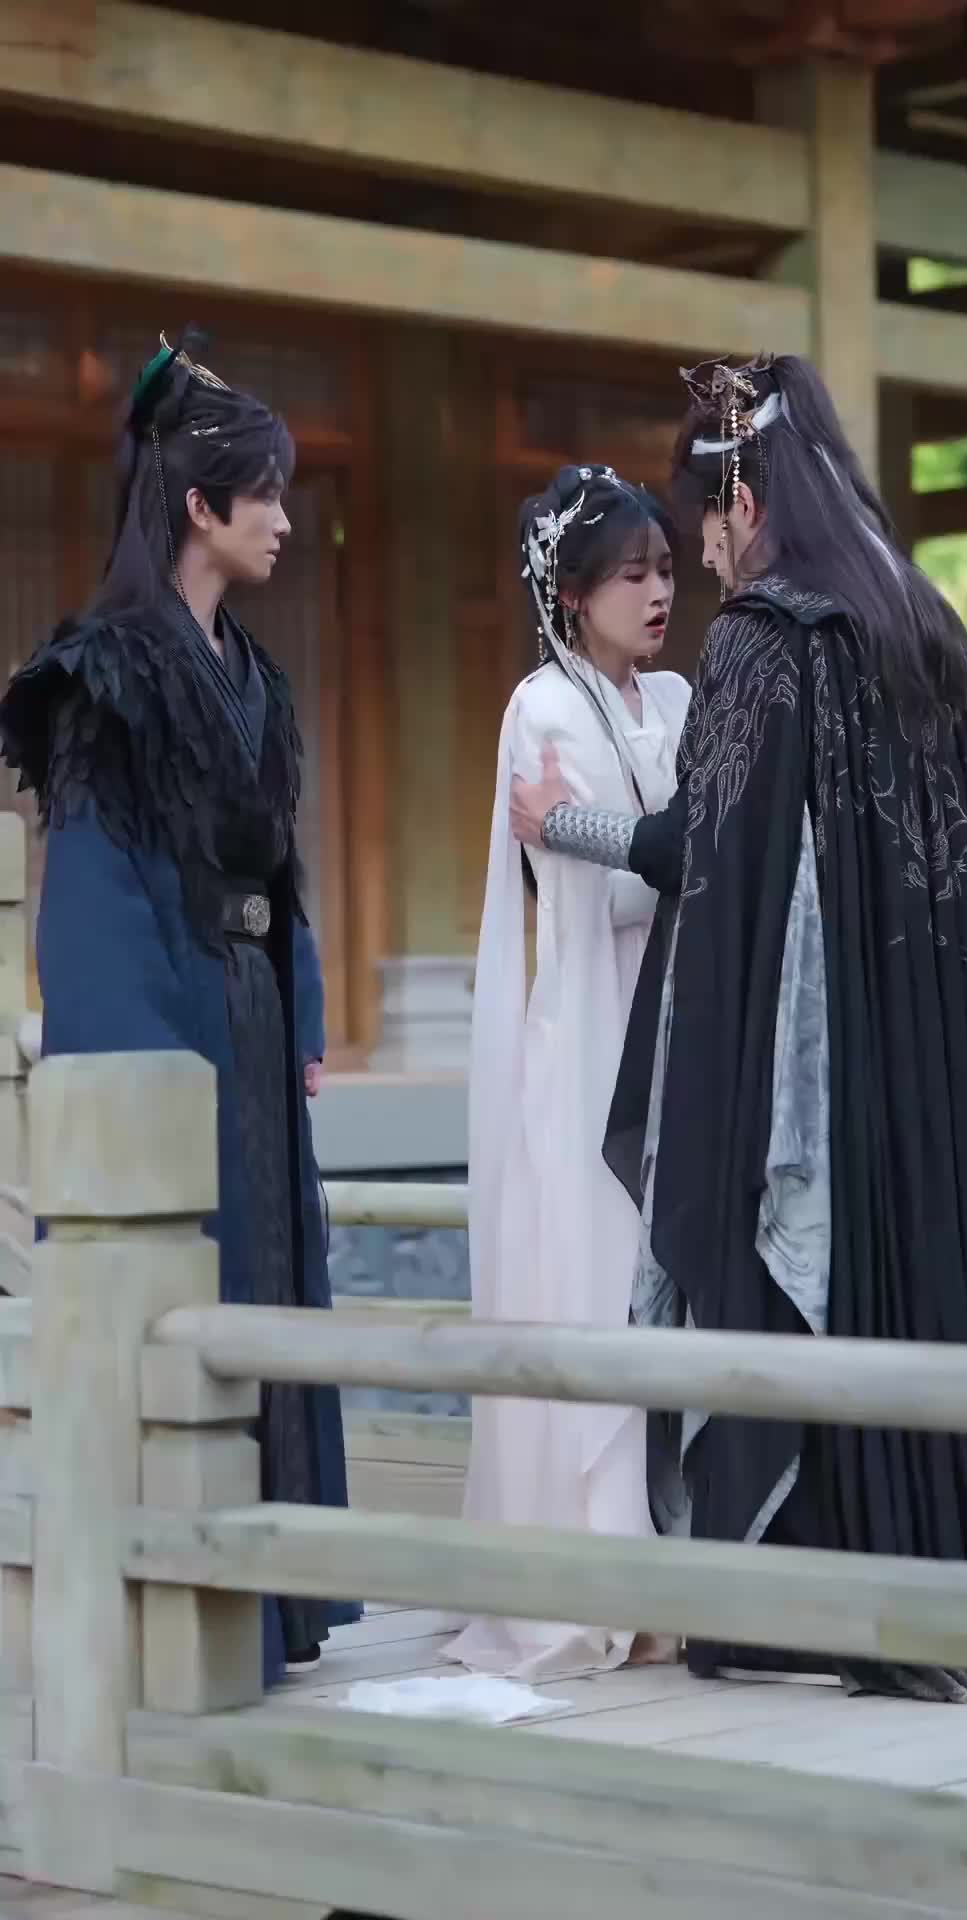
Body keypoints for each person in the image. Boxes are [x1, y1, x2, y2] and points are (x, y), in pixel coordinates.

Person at [510, 355, 967, 1704]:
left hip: (840, 1057)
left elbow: (705, 849)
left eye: (703, 528)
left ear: (745, 502)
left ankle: (842, 1593)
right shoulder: (923, 621)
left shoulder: (767, 639)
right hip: (952, 1041)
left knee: (829, 1270)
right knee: (944, 1284)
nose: (702, 561)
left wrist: (565, 824)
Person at [0, 328, 359, 1684]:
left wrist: (299, 1008)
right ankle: (189, 1605)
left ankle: (278, 1594)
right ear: (200, 507)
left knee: (272, 1271)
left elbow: (279, 870)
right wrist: (145, 1075)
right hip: (175, 1023)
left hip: (252, 1018)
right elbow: (93, 890)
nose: (284, 520)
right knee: (191, 1277)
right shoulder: (105, 673)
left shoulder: (250, 672)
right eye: (263, 495)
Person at [444, 464, 690, 1681]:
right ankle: (595, 1582)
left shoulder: (682, 698)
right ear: (573, 592)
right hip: (590, 1031)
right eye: (632, 574)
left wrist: (643, 848)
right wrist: (661, 854)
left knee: (670, 1289)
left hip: (677, 1021)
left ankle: (675, 1572)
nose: (658, 593)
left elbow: (694, 853)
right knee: (592, 1278)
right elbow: (620, 891)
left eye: (666, 570)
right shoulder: (539, 707)